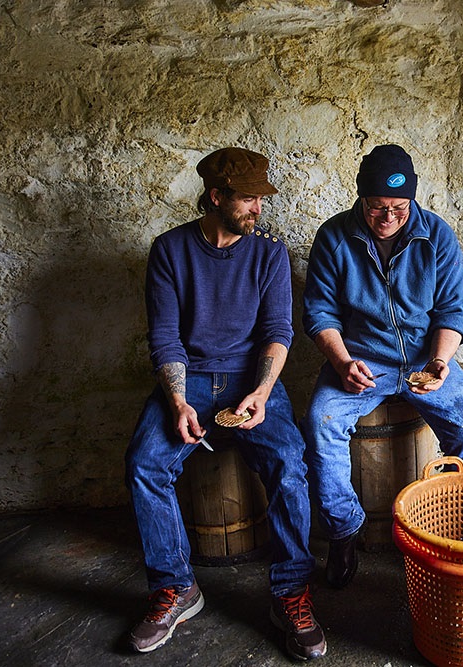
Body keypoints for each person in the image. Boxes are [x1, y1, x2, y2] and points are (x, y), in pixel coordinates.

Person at [124, 147, 325, 660]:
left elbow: (278, 331)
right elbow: (165, 338)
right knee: (145, 464)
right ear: (216, 197)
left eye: (261, 199)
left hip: (251, 379)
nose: (258, 209)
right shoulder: (170, 250)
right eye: (248, 199)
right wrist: (176, 401)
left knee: (289, 461)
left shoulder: (269, 253)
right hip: (188, 379)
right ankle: (176, 587)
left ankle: (290, 593)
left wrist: (261, 392)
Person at [301, 144, 463, 588]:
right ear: (361, 197)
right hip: (361, 359)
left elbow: (455, 307)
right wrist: (342, 362)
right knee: (320, 423)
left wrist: (440, 360)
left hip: (426, 358)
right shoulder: (334, 237)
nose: (387, 217)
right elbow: (319, 312)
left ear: (412, 200)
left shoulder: (435, 235)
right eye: (377, 207)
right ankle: (344, 532)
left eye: (399, 208)